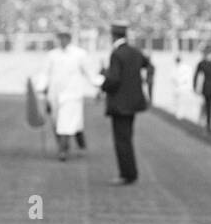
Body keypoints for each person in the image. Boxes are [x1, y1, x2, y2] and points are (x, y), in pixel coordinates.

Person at [100, 22, 153, 185]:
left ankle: (127, 174)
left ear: (113, 36)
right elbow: (149, 66)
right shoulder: (135, 52)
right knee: (127, 138)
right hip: (133, 102)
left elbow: (114, 80)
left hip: (120, 104)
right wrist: (145, 83)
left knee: (122, 140)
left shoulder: (117, 54)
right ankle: (130, 173)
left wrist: (103, 82)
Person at [40, 28, 98, 161]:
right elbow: (45, 73)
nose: (62, 40)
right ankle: (79, 144)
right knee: (59, 122)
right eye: (60, 37)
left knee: (66, 123)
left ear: (69, 38)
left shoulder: (80, 54)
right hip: (55, 94)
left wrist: (100, 83)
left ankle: (63, 150)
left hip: (72, 94)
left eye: (64, 37)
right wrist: (41, 88)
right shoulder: (52, 55)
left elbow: (90, 73)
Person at [192, 43, 211, 133]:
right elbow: (196, 75)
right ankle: (209, 126)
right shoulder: (206, 62)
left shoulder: (210, 62)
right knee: (209, 107)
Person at [171, 54, 195, 121]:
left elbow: (187, 78)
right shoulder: (175, 67)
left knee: (182, 103)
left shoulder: (186, 67)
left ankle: (180, 116)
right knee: (177, 102)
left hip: (184, 88)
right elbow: (173, 78)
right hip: (178, 88)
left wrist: (180, 82)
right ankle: (178, 115)